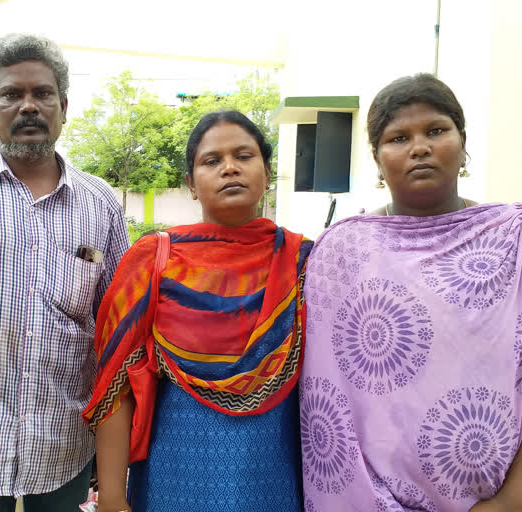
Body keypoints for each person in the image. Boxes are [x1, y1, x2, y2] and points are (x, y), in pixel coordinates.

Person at [0, 33, 130, 510]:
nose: (28, 107)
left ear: (64, 106)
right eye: (12, 95)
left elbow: (115, 331)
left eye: (42, 94)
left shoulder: (101, 206)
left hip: (64, 446)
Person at [300, 73, 522, 512]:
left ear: (463, 143)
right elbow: (322, 397)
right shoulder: (342, 251)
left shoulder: (512, 238)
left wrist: (511, 501)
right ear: (378, 160)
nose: (419, 147)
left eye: (436, 131)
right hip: (362, 499)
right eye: (398, 137)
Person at [85, 111, 313, 512]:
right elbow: (114, 386)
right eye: (212, 161)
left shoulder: (304, 261)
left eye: (244, 155)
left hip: (276, 475)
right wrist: (113, 498)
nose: (229, 168)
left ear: (266, 170)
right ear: (191, 184)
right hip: (173, 475)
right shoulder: (154, 260)